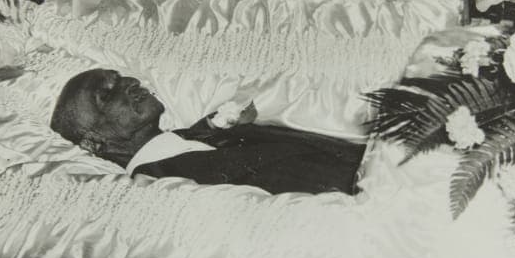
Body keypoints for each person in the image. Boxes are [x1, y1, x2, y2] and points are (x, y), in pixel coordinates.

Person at [50, 69, 365, 195]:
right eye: (105, 95)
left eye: (119, 77)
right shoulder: (162, 184)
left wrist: (216, 126)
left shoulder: (184, 142)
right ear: (93, 143)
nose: (129, 83)